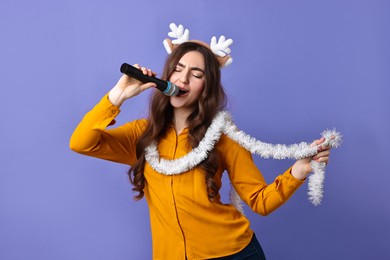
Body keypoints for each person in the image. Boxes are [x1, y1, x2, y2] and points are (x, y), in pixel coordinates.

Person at [70, 41, 331, 259]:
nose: (183, 78)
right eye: (178, 69)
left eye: (196, 74)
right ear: (167, 76)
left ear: (207, 87)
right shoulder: (142, 135)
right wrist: (117, 96)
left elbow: (260, 202)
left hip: (232, 254)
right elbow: (81, 142)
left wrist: (298, 171)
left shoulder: (224, 137)